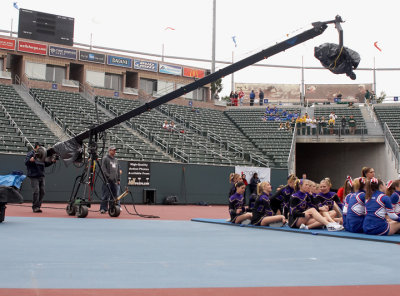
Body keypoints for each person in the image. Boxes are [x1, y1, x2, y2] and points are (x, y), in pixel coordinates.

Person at [24, 142, 56, 213]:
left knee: (42, 192)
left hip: (41, 175)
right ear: (37, 146)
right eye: (41, 146)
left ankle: (38, 206)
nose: (42, 148)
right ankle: (35, 207)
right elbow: (26, 162)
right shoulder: (31, 153)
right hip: (33, 176)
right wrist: (30, 160)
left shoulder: (43, 154)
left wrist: (52, 161)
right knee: (36, 191)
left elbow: (45, 164)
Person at [100, 146, 121, 214]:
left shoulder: (116, 160)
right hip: (107, 180)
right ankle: (103, 208)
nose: (114, 151)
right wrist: (108, 177)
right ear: (109, 150)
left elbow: (117, 170)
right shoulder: (105, 158)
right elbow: (103, 169)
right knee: (105, 195)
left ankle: (112, 208)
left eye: (115, 150)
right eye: (113, 150)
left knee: (114, 196)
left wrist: (118, 179)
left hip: (114, 181)